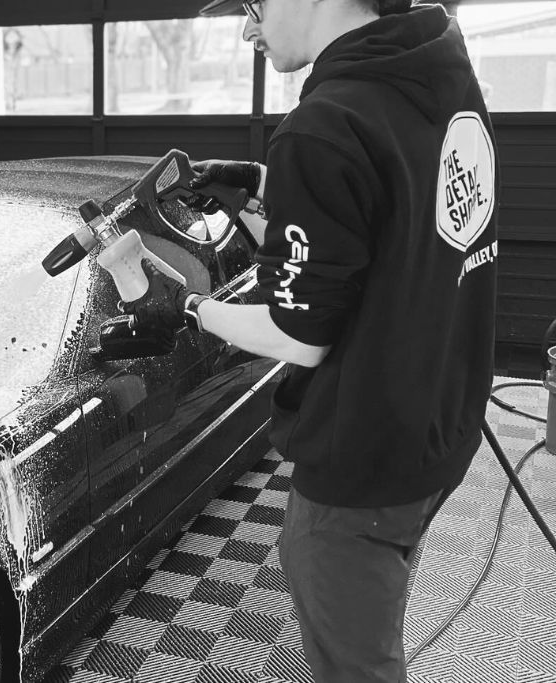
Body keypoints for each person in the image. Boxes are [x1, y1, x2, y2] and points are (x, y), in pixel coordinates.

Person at [124, 1, 498, 681]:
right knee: (374, 619)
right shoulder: (440, 71)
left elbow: (298, 335)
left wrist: (188, 305)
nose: (246, 28)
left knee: (355, 664)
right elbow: (385, 220)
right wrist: (264, 187)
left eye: (253, 6)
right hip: (439, 427)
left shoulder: (324, 126)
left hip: (361, 466)